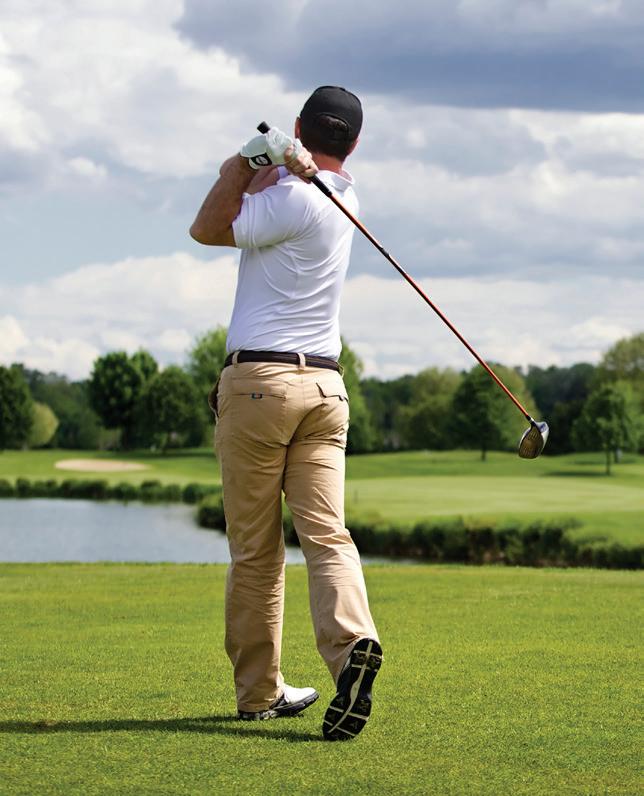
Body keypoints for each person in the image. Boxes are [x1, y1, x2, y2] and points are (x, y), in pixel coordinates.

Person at [189, 86, 382, 741]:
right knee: (328, 536)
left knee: (255, 551)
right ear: (355, 143)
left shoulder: (292, 199)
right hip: (325, 391)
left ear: (300, 126)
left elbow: (208, 226)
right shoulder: (345, 198)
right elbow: (280, 187)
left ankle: (259, 694)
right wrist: (281, 161)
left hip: (259, 386)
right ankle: (353, 645)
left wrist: (247, 158)